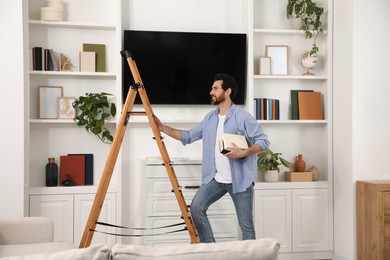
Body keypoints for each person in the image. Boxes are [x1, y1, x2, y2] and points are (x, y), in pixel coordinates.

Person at [154, 73, 270, 243]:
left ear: (227, 91)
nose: (211, 92)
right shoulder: (210, 118)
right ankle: (211, 250)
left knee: (246, 225)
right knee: (196, 208)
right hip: (216, 178)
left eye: (215, 88)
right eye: (212, 88)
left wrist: (244, 152)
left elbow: (263, 141)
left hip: (240, 180)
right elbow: (188, 136)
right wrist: (163, 128)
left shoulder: (243, 116)